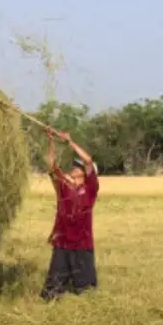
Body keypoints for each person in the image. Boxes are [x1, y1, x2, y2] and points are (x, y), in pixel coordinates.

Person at [40, 128, 100, 301]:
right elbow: (51, 165)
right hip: (63, 240)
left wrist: (69, 142)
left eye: (78, 166)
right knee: (53, 290)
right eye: (74, 166)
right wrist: (51, 141)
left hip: (82, 242)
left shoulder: (90, 188)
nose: (75, 168)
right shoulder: (63, 186)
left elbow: (88, 160)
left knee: (87, 291)